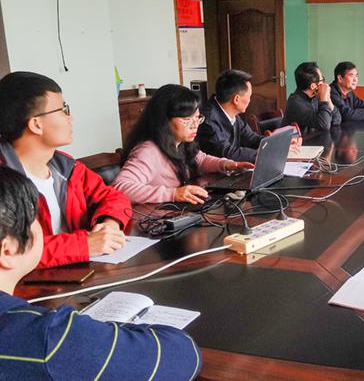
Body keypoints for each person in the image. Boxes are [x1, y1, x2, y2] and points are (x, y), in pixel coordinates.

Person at [0, 166, 201, 380]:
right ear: (8, 250)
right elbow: (183, 355)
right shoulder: (48, 338)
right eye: (34, 218)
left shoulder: (65, 165)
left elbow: (113, 196)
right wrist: (101, 332)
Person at [0, 72, 131, 268]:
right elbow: (12, 252)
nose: (70, 118)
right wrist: (84, 245)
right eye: (63, 110)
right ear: (36, 124)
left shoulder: (65, 167)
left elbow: (113, 197)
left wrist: (109, 224)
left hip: (79, 274)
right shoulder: (5, 184)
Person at [113, 84, 254, 205]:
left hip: (178, 212)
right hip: (156, 218)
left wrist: (227, 164)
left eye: (197, 118)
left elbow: (201, 160)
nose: (194, 125)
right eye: (187, 119)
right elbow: (120, 188)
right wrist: (173, 194)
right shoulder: (149, 151)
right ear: (164, 120)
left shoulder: (181, 142)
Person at [197, 69, 301, 163]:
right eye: (249, 96)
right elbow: (228, 153)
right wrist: (271, 152)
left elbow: (251, 138)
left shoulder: (231, 112)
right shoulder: (208, 120)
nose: (250, 100)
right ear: (236, 99)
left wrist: (280, 143)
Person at [281, 62, 341, 132]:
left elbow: (337, 119)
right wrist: (324, 99)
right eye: (322, 80)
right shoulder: (296, 103)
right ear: (313, 86)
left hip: (314, 137)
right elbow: (324, 125)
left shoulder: (314, 97)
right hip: (300, 139)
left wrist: (328, 98)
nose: (324, 83)